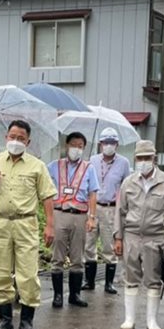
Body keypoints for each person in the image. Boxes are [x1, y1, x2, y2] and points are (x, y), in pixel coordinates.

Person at [0, 120, 55, 329]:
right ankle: (5, 320)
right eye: (12, 136)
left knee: (27, 274)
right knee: (1, 272)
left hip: (25, 223)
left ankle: (27, 322)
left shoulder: (37, 166)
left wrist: (49, 224)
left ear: (28, 141)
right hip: (0, 222)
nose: (15, 141)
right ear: (5, 137)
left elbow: (47, 195)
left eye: (20, 138)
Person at [113, 140, 164, 329]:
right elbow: (120, 211)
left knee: (154, 278)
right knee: (130, 276)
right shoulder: (129, 182)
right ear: (135, 159)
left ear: (154, 158)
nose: (143, 162)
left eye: (147, 158)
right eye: (139, 158)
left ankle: (151, 320)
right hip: (131, 236)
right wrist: (118, 238)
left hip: (155, 236)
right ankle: (129, 318)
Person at [49, 131, 99, 308]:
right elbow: (44, 188)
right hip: (60, 213)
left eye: (80, 146)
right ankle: (57, 296)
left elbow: (93, 193)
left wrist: (92, 217)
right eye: (74, 145)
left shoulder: (89, 168)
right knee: (58, 256)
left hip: (80, 215)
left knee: (78, 256)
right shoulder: (54, 166)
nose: (76, 149)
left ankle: (75, 295)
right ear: (66, 146)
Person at [83, 127, 132, 293]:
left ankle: (108, 283)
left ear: (117, 144)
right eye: (105, 142)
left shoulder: (124, 163)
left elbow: (126, 186)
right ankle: (89, 281)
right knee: (88, 243)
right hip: (93, 206)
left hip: (111, 208)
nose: (108, 145)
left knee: (109, 246)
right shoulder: (92, 160)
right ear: (100, 144)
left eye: (112, 143)